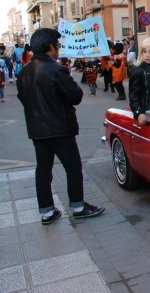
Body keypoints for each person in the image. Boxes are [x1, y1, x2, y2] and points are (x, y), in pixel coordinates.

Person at [16, 28, 105, 225]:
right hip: (60, 129)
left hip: (37, 130)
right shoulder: (56, 70)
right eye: (58, 45)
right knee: (73, 168)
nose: (59, 48)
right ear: (51, 46)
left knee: (43, 169)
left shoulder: (24, 72)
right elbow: (76, 96)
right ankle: (78, 207)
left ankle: (47, 211)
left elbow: (24, 99)